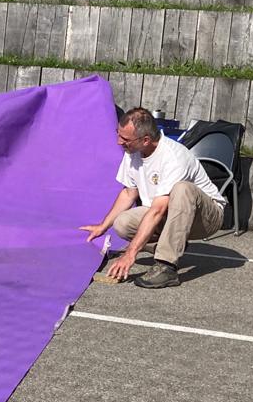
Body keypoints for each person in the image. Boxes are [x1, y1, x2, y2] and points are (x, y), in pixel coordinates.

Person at [80, 107, 226, 288]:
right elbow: (129, 193)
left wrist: (130, 253)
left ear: (146, 140)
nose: (119, 142)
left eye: (125, 139)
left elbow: (157, 210)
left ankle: (167, 267)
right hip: (168, 212)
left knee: (183, 189)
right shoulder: (132, 152)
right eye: (118, 134)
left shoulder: (173, 157)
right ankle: (173, 244)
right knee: (122, 223)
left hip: (206, 218)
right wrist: (103, 226)